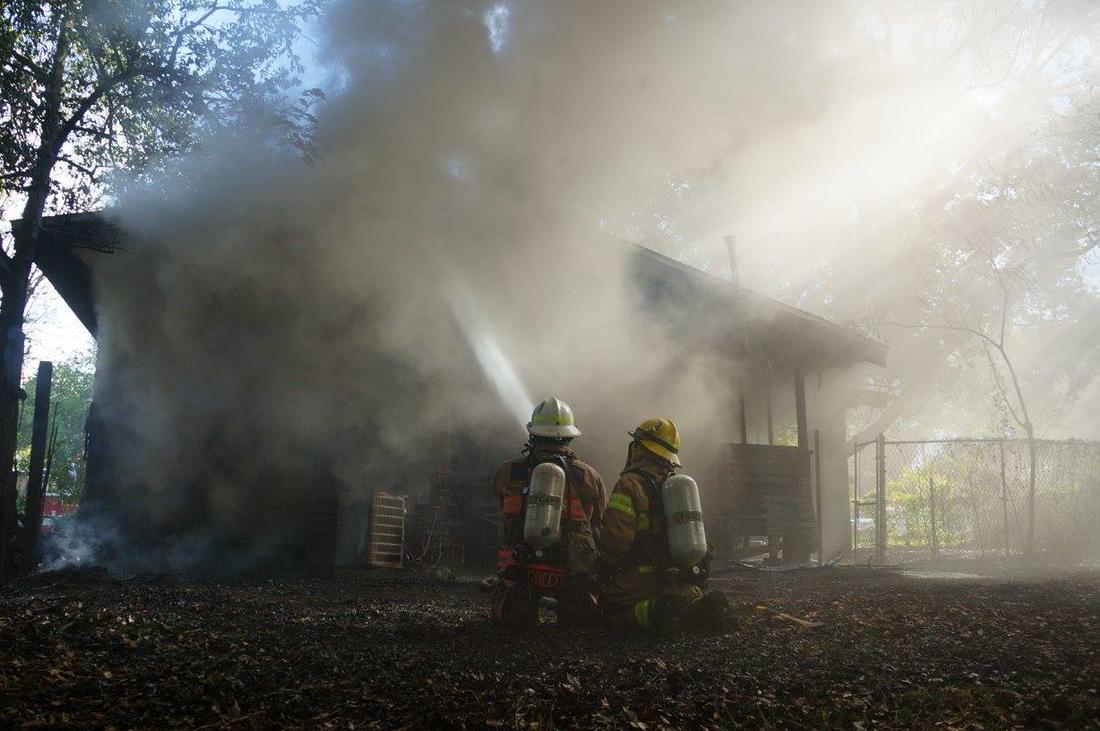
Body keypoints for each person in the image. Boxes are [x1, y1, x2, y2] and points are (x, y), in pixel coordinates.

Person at [596, 417, 727, 632]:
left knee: (608, 607)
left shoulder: (630, 484)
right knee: (685, 597)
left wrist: (603, 566)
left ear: (640, 447)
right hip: (681, 577)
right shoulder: (679, 486)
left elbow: (616, 542)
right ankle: (696, 607)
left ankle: (656, 612)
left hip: (644, 580)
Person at [490, 397, 607, 627]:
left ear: (533, 434)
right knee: (581, 622)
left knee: (509, 618)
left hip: (520, 570)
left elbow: (503, 512)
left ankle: (515, 604)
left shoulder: (507, 472)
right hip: (571, 573)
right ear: (570, 437)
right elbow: (598, 524)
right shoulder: (589, 477)